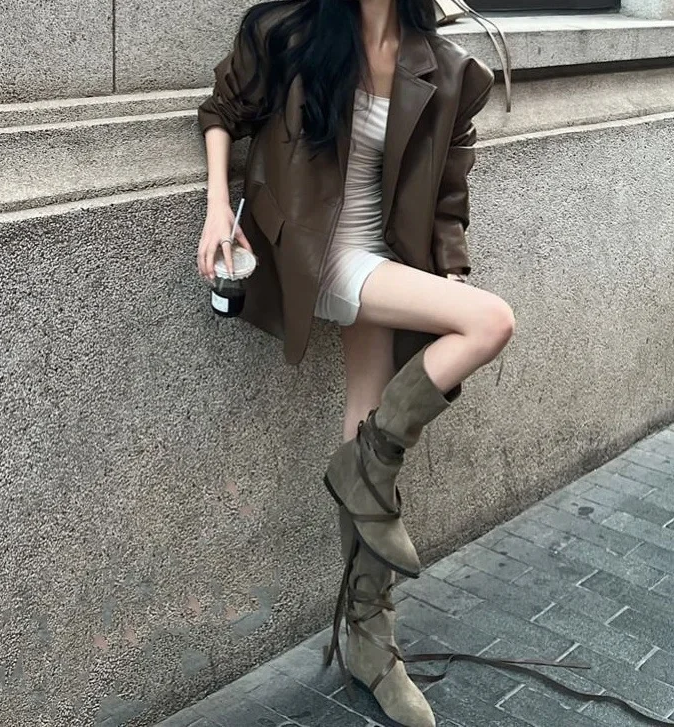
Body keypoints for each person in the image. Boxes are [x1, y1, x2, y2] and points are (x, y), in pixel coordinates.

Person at [197, 1, 514, 725]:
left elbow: (448, 199)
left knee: (369, 424)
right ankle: (362, 474)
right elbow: (221, 111)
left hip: (383, 255)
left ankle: (369, 637)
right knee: (491, 322)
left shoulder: (448, 69)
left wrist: (447, 277)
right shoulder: (289, 32)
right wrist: (217, 208)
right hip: (317, 253)